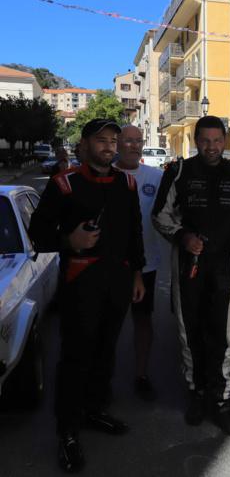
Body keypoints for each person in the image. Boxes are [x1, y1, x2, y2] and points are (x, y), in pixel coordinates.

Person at [28, 118, 145, 473]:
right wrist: (69, 241)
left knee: (106, 352)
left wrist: (137, 274)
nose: (110, 146)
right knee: (75, 357)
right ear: (84, 145)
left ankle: (94, 410)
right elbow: (38, 233)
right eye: (101, 140)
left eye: (114, 140)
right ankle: (67, 431)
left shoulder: (127, 182)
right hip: (80, 283)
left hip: (119, 281)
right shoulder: (64, 184)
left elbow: (134, 231)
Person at [152, 115, 230, 437]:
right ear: (196, 141)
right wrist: (182, 236)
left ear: (224, 141)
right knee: (191, 335)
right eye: (205, 141)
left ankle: (223, 402)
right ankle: (196, 394)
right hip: (189, 264)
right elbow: (159, 215)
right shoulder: (179, 172)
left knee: (223, 338)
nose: (211, 147)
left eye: (217, 141)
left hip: (224, 266)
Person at [113, 125, 163, 401]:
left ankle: (141, 374)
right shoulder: (107, 176)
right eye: (128, 141)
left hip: (147, 266)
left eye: (138, 141)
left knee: (143, 321)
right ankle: (102, 376)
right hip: (110, 266)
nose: (134, 145)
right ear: (118, 144)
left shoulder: (155, 177)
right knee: (108, 323)